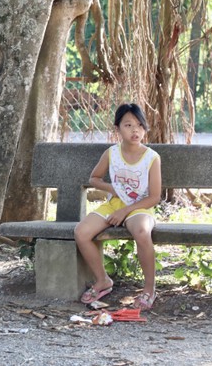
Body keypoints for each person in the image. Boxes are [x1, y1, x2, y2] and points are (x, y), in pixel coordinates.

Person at [74, 103, 162, 310]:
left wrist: (124, 211)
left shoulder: (151, 157)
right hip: (113, 204)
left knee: (141, 231)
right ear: (118, 129)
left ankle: (149, 289)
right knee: (81, 232)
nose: (135, 131)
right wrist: (111, 189)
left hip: (141, 207)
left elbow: (155, 197)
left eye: (139, 125)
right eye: (128, 125)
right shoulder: (111, 153)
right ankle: (103, 280)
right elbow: (94, 178)